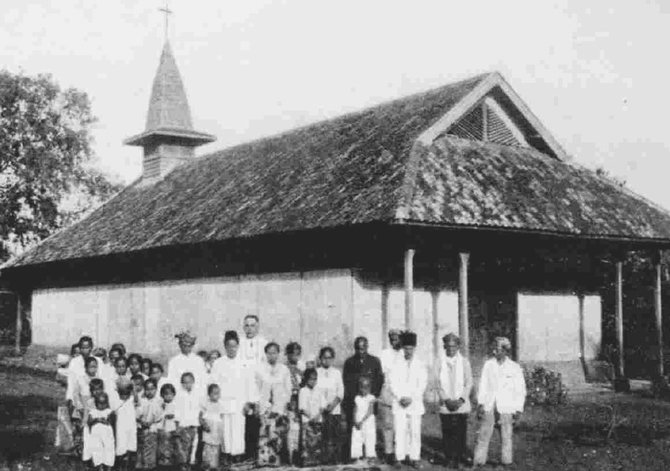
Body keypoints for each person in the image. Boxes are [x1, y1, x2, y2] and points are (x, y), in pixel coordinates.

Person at [473, 337, 526, 467]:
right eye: (494, 348)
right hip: (489, 405)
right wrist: (481, 403)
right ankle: (479, 461)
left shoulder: (514, 367)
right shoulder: (488, 365)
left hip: (507, 407)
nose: (494, 351)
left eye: (497, 349)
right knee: (484, 435)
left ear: (505, 350)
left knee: (506, 435)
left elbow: (520, 389)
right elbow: (483, 385)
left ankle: (506, 461)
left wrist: (518, 409)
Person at [211, 330, 259, 464]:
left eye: (234, 346)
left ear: (238, 346)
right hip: (224, 401)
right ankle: (226, 455)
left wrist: (249, 402)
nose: (231, 349)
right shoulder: (218, 363)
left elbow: (250, 383)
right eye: (228, 346)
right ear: (225, 346)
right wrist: (215, 402)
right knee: (225, 430)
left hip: (240, 402)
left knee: (238, 429)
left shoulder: (245, 363)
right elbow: (213, 384)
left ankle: (237, 455)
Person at [388, 331, 427, 467]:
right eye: (406, 348)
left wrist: (412, 398)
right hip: (400, 402)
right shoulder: (396, 362)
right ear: (402, 348)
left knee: (415, 431)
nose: (408, 351)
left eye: (411, 348)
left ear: (414, 348)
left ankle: (414, 457)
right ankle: (399, 457)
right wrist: (400, 397)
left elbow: (422, 383)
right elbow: (392, 381)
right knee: (400, 430)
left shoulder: (420, 363)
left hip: (414, 402)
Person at [342, 336, 383, 458]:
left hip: (369, 401)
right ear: (355, 349)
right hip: (355, 402)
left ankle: (370, 455)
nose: (361, 351)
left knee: (369, 430)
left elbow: (379, 380)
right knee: (355, 430)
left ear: (367, 347)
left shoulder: (374, 361)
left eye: (363, 348)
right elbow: (346, 381)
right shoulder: (349, 362)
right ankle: (355, 455)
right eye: (358, 349)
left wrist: (372, 396)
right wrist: (354, 398)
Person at [437, 333, 473, 467]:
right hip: (446, 404)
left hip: (460, 404)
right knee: (447, 431)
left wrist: (461, 399)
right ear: (444, 347)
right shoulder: (439, 361)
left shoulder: (464, 362)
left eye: (453, 346)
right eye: (448, 346)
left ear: (458, 347)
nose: (451, 349)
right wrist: (446, 400)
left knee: (460, 431)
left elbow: (469, 382)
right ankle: (449, 457)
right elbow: (437, 383)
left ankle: (459, 456)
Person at [257, 342, 292, 466]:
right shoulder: (260, 369)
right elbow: (257, 388)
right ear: (266, 354)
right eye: (269, 353)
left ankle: (276, 462)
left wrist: (285, 405)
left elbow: (288, 389)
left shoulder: (284, 370)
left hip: (279, 407)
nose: (272, 355)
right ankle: (264, 461)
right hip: (265, 407)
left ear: (278, 354)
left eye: (274, 353)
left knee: (276, 434)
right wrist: (260, 406)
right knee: (265, 434)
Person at [239, 315, 268, 460]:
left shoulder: (263, 343)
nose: (249, 329)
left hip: (259, 388)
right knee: (245, 422)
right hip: (244, 387)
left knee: (259, 421)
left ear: (257, 327)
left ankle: (260, 456)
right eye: (247, 325)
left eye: (252, 325)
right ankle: (247, 455)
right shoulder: (240, 343)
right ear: (243, 327)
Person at [316, 346, 344, 464]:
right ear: (320, 358)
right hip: (321, 409)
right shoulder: (317, 372)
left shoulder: (337, 373)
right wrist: (323, 406)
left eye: (329, 358)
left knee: (334, 435)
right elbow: (316, 390)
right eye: (324, 358)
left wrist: (332, 405)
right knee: (323, 435)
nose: (327, 360)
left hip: (334, 409)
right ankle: (323, 459)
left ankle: (335, 459)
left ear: (332, 359)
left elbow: (340, 391)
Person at [379, 329, 403, 463]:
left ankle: (400, 452)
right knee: (388, 425)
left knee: (400, 425)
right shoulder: (385, 354)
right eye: (392, 339)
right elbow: (383, 375)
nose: (395, 341)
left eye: (397, 338)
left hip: (402, 394)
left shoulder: (405, 353)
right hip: (388, 392)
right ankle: (389, 452)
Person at [299, 368, 326, 466]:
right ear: (306, 379)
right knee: (307, 442)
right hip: (307, 421)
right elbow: (302, 408)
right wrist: (310, 417)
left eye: (315, 379)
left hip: (317, 421)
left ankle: (316, 460)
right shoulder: (303, 391)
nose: (313, 381)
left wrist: (317, 416)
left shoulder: (319, 390)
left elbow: (323, 406)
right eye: (311, 379)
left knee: (316, 441)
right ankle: (307, 461)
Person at [174, 372, 200, 471]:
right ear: (181, 384)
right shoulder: (180, 395)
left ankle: (190, 463)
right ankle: (183, 465)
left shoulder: (196, 394)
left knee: (194, 445)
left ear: (193, 382)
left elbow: (199, 409)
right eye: (184, 383)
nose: (187, 385)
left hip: (194, 425)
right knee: (184, 446)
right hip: (184, 425)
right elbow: (177, 411)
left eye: (189, 382)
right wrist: (177, 425)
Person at [135, 378, 163, 471]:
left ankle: (149, 465)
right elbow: (138, 413)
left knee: (150, 447)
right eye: (147, 389)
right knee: (141, 446)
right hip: (142, 427)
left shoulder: (159, 401)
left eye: (152, 389)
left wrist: (151, 422)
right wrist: (141, 421)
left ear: (156, 389)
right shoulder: (142, 401)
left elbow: (159, 415)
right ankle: (140, 464)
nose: (149, 392)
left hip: (152, 427)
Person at [285, 341, 304, 464]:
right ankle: (289, 458)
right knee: (289, 430)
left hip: (299, 403)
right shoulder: (283, 369)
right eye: (292, 354)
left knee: (298, 430)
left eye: (297, 354)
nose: (294, 357)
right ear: (287, 354)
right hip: (288, 403)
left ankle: (297, 457)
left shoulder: (301, 370)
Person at [86, 392, 115, 470]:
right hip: (96, 435)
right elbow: (89, 422)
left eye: (104, 403)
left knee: (109, 449)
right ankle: (100, 467)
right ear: (96, 403)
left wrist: (107, 420)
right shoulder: (93, 412)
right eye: (100, 403)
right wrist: (96, 420)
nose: (102, 405)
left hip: (107, 434)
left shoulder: (109, 411)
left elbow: (111, 422)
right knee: (97, 449)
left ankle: (109, 467)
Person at [350, 376, 377, 461]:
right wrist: (355, 421)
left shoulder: (371, 397)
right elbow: (355, 410)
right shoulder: (357, 398)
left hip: (367, 420)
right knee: (356, 437)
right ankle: (356, 456)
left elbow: (370, 411)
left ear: (369, 388)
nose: (364, 390)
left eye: (366, 387)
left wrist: (362, 421)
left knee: (369, 437)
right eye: (362, 387)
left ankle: (370, 456)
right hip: (358, 420)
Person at [200, 383, 225, 471]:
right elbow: (201, 416)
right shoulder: (206, 404)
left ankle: (214, 465)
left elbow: (221, 418)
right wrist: (204, 425)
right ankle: (206, 465)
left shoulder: (220, 405)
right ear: (209, 394)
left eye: (218, 393)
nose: (217, 395)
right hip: (208, 429)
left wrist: (220, 430)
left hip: (216, 430)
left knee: (216, 447)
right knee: (208, 447)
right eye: (214, 393)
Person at [114, 379, 138, 470]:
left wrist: (133, 389)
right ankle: (120, 467)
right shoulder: (117, 401)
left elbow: (136, 399)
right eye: (122, 393)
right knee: (121, 448)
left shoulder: (131, 399)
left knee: (130, 448)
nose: (125, 395)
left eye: (127, 393)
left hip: (131, 428)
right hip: (121, 429)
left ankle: (128, 467)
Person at [158, 383, 178, 469]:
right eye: (166, 394)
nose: (169, 396)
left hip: (172, 427)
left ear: (174, 394)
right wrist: (164, 414)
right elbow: (159, 415)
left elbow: (178, 415)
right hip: (164, 427)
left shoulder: (175, 404)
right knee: (163, 443)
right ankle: (163, 459)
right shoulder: (161, 404)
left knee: (171, 443)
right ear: (162, 395)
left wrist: (173, 416)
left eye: (171, 394)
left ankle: (170, 460)